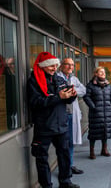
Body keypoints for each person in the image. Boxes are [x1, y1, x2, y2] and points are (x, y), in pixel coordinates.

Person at [27, 52, 79, 188]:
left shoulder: (58, 79)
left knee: (64, 155)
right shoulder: (34, 81)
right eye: (51, 65)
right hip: (43, 126)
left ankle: (65, 182)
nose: (54, 68)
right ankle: (46, 186)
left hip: (61, 125)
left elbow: (65, 98)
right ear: (43, 66)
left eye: (56, 65)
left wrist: (72, 96)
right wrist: (58, 97)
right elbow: (35, 102)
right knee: (42, 159)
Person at [58, 58, 86, 175]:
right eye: (67, 65)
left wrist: (72, 90)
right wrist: (68, 91)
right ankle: (64, 168)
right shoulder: (57, 78)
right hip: (61, 115)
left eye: (72, 65)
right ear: (61, 66)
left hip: (71, 114)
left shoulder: (74, 79)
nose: (70, 67)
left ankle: (70, 165)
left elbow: (83, 90)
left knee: (70, 142)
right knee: (62, 143)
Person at [83, 66, 111, 159]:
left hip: (106, 112)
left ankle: (104, 149)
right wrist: (93, 106)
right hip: (95, 112)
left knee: (105, 131)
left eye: (104, 72)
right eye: (100, 72)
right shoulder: (91, 85)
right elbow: (86, 96)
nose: (103, 73)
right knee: (93, 132)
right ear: (96, 74)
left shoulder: (108, 85)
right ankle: (92, 151)